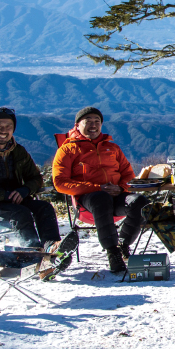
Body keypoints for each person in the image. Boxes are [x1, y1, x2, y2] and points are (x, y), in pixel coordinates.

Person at [0, 107, 73, 267]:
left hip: (17, 201)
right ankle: (33, 257)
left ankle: (52, 249)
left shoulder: (17, 151)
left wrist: (25, 190)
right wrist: (4, 195)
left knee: (45, 208)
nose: (4, 131)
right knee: (21, 213)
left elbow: (35, 178)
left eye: (8, 126)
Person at [52, 106, 146, 273]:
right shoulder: (67, 150)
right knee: (101, 198)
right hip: (88, 200)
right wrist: (97, 188)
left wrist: (120, 188)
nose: (93, 125)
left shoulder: (113, 148)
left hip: (117, 195)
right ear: (77, 125)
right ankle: (113, 251)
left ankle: (124, 243)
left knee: (139, 202)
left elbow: (128, 175)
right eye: (88, 122)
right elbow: (60, 182)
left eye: (97, 122)